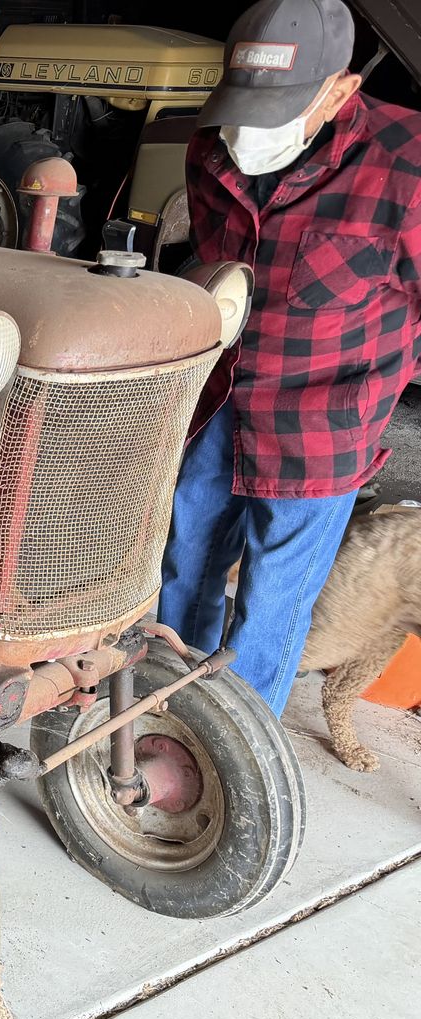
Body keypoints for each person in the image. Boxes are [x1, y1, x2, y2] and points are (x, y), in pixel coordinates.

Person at [158, 0, 421, 716]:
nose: (248, 133)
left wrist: (385, 383)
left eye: (275, 110)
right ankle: (164, 714)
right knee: (184, 564)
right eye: (243, 106)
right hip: (224, 402)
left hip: (322, 430)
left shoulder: (407, 166)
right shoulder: (212, 148)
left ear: (340, 93)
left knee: (272, 605)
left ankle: (236, 749)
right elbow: (216, 271)